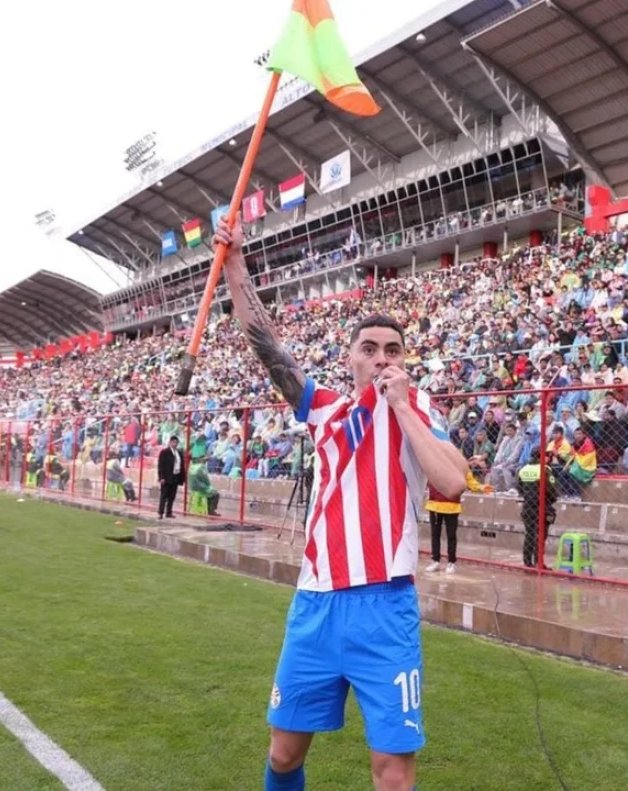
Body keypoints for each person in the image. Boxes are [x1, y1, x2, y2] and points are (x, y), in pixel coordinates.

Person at [215, 218, 467, 791]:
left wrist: (402, 408)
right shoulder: (324, 409)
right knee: (283, 754)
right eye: (370, 349)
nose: (381, 359)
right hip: (317, 604)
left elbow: (452, 483)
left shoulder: (420, 409)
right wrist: (235, 264)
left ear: (405, 360)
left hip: (385, 607)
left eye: (393, 351)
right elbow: (266, 345)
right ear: (351, 358)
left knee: (394, 774)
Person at [425, 471, 489, 574]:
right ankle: (435, 560)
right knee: (435, 534)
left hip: (451, 506)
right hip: (435, 504)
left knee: (451, 535)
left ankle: (451, 562)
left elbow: (468, 478)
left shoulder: (458, 464)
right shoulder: (435, 459)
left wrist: (480, 488)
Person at [517, 447, 558, 568]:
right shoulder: (544, 469)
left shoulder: (523, 469)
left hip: (528, 506)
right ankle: (538, 562)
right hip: (542, 506)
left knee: (529, 534)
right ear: (541, 457)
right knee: (541, 535)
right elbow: (552, 490)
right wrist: (551, 500)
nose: (548, 458)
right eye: (546, 456)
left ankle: (527, 561)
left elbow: (520, 488)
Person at [156, 435, 185, 519]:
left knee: (172, 496)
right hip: (166, 477)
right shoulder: (164, 452)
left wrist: (182, 477)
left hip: (175, 476)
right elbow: (160, 465)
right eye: (173, 442)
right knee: (164, 496)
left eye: (176, 442)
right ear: (170, 443)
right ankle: (161, 512)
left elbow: (181, 465)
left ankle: (169, 512)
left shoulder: (179, 453)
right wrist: (161, 477)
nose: (175, 444)